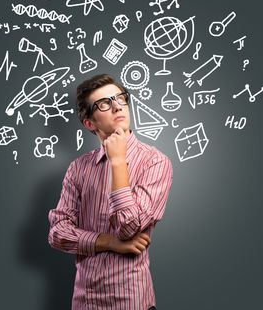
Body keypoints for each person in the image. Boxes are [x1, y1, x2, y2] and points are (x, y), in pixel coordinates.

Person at [48, 74, 173, 309]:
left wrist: (117, 161)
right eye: (104, 103)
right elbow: (58, 233)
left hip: (131, 301)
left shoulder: (155, 162)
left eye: (120, 98)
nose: (117, 106)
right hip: (84, 301)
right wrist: (107, 242)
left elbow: (128, 228)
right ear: (90, 123)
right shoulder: (78, 168)